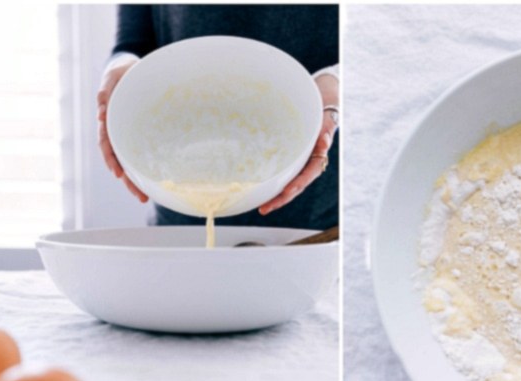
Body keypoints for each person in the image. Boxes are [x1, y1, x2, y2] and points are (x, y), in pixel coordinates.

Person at [97, 5, 339, 230]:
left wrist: (336, 78)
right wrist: (121, 75)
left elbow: (365, 42)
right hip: (178, 219)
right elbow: (133, 43)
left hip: (310, 221)